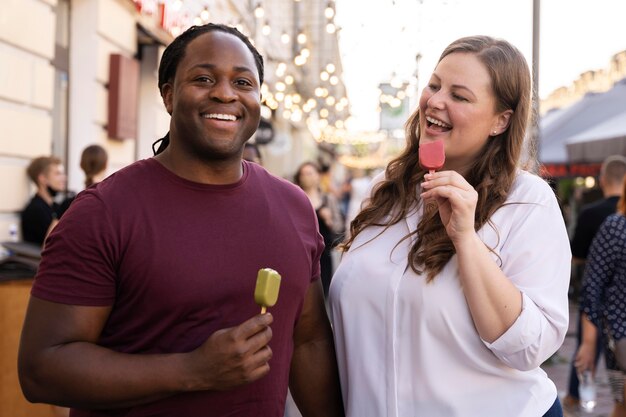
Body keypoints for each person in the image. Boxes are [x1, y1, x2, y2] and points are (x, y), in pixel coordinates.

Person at [18, 23, 343, 417]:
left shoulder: (294, 207)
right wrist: (192, 371)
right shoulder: (102, 212)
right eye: (203, 78)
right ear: (169, 96)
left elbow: (308, 342)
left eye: (243, 82)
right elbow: (41, 370)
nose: (225, 93)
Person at [329, 35, 570, 417]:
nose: (435, 101)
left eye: (459, 95)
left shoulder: (527, 201)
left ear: (500, 120)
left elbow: (528, 348)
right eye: (434, 85)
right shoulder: (385, 190)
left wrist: (465, 238)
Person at [563, 155, 626, 409]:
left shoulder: (594, 215)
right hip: (618, 332)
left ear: (602, 181)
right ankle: (575, 396)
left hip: (607, 318)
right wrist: (588, 343)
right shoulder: (616, 226)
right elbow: (594, 285)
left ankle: (574, 396)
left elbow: (577, 256)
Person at [294, 161, 344, 297]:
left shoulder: (328, 199)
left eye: (309, 173)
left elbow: (339, 226)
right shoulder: (294, 197)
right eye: (303, 174)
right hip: (300, 252)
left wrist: (328, 220)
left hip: (324, 254)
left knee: (322, 291)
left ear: (318, 176)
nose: (306, 177)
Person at [20, 156, 69, 246]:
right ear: (43, 178)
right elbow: (52, 243)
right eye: (58, 174)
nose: (64, 178)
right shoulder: (35, 210)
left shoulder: (55, 206)